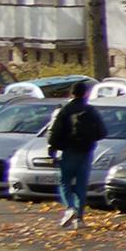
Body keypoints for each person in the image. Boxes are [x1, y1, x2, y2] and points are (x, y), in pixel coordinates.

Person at [43, 98, 104, 231]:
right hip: (86, 152)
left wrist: (52, 149)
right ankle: (79, 219)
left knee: (65, 181)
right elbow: (102, 132)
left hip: (69, 151)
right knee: (81, 185)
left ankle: (70, 207)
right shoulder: (91, 110)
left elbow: (53, 131)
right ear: (85, 94)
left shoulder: (64, 110)